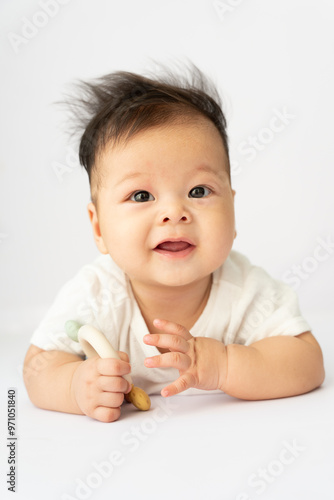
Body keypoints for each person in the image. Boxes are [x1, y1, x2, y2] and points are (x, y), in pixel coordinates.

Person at [23, 63, 325, 423]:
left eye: (198, 191)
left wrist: (225, 365)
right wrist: (75, 385)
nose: (174, 213)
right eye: (140, 195)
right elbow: (37, 367)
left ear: (232, 206)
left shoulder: (246, 290)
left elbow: (307, 361)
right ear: (99, 227)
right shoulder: (96, 295)